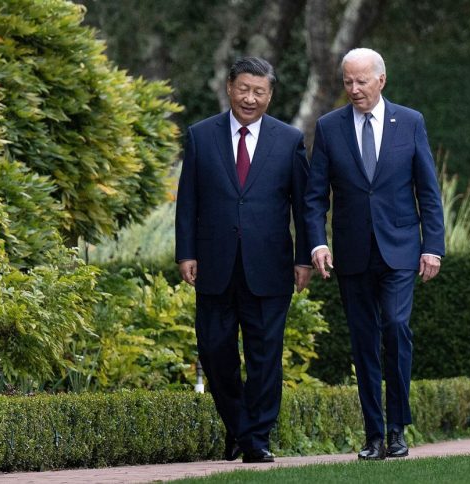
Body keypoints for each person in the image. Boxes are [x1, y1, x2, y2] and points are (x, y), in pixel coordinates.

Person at [304, 48, 445, 460]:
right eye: (348, 81)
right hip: (352, 253)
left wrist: (433, 246)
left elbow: (428, 192)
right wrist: (317, 241)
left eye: (362, 81)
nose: (354, 89)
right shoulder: (329, 128)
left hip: (400, 249)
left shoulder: (411, 122)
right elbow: (315, 197)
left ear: (381, 80)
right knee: (364, 341)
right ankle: (374, 436)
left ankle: (398, 428)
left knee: (397, 328)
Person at [175, 57, 311, 464]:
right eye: (243, 89)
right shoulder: (201, 136)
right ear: (229, 87)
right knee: (215, 352)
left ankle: (256, 439)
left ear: (270, 95)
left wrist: (304, 257)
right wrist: (186, 252)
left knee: (265, 355)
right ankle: (238, 426)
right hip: (215, 265)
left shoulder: (289, 140)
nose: (250, 98)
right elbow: (188, 202)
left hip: (270, 267)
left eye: (260, 91)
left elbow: (303, 207)